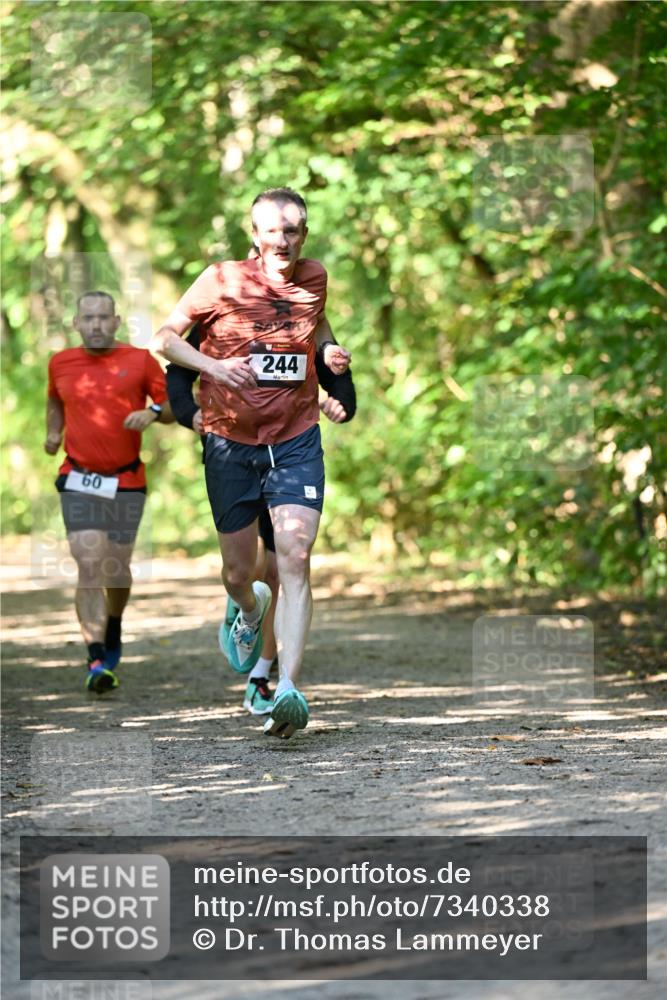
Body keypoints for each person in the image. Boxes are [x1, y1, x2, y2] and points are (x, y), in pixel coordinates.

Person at [151, 187, 351, 739]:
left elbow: (316, 327)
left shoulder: (315, 277)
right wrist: (212, 370)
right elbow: (163, 339)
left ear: (304, 234)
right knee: (243, 574)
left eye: (292, 231)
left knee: (295, 553)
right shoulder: (220, 279)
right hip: (229, 440)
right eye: (272, 230)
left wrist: (328, 355)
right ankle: (243, 608)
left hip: (295, 438)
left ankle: (286, 687)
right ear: (254, 234)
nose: (281, 240)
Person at [166, 319, 356, 716]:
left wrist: (341, 398)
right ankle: (245, 608)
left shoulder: (301, 309)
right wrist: (190, 414)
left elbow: (324, 361)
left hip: (288, 457)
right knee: (242, 573)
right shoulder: (222, 312)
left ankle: (265, 678)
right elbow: (177, 372)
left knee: (282, 566)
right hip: (231, 454)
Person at [45, 291, 173, 694]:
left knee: (116, 567)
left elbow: (174, 405)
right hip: (78, 477)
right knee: (88, 562)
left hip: (126, 480)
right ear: (76, 323)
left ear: (116, 321)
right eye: (89, 318)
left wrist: (152, 414)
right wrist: (53, 432)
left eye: (104, 318)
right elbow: (54, 400)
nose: (97, 324)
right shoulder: (61, 363)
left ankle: (113, 622)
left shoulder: (140, 361)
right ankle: (96, 655)